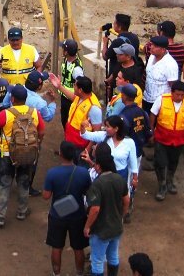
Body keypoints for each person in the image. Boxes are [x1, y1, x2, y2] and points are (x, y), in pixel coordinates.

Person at [0, 83, 44, 227]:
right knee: (24, 182)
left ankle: (0, 217)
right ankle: (22, 211)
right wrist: (36, 144)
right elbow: (42, 131)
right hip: (28, 152)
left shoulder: (7, 113)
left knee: (5, 184)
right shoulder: (34, 113)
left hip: (7, 155)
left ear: (12, 99)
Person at [42, 141, 93, 276]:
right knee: (78, 247)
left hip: (57, 215)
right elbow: (88, 192)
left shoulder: (52, 173)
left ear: (61, 154)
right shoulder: (83, 173)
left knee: (57, 247)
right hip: (78, 215)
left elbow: (46, 196)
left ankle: (56, 273)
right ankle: (79, 273)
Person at [84, 143, 130, 276]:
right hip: (116, 226)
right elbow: (126, 200)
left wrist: (87, 227)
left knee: (97, 261)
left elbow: (95, 209)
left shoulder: (97, 184)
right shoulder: (119, 179)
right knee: (113, 255)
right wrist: (121, 215)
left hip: (101, 229)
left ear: (99, 166)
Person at [150, 80, 184, 202]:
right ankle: (162, 185)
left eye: (182, 95)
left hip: (179, 140)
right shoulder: (162, 99)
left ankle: (169, 181)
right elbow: (152, 114)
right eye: (177, 95)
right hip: (161, 138)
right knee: (160, 163)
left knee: (173, 162)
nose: (180, 97)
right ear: (172, 93)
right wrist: (151, 132)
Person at [17, 69, 57, 196]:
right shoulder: (40, 103)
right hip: (32, 134)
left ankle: (17, 178)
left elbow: (8, 103)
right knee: (32, 160)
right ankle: (27, 187)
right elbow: (49, 116)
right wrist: (52, 102)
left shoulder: (17, 90)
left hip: (14, 131)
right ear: (39, 86)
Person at [81, 116, 139, 202]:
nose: (105, 128)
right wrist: (82, 126)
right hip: (104, 175)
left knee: (117, 199)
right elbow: (85, 135)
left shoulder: (129, 142)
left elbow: (133, 163)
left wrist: (135, 179)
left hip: (121, 175)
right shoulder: (103, 136)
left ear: (116, 129)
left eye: (108, 126)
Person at [50, 75, 103, 155]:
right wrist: (59, 87)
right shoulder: (81, 96)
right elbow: (73, 97)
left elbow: (96, 132)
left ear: (80, 90)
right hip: (71, 139)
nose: (73, 86)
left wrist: (87, 150)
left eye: (75, 85)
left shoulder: (94, 108)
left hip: (80, 145)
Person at [102, 14, 140, 101]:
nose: (113, 24)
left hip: (118, 77)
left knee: (116, 100)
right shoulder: (135, 38)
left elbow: (105, 56)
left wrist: (105, 43)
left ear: (119, 27)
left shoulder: (117, 42)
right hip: (131, 75)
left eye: (115, 23)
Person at [142, 35, 180, 114]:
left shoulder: (170, 64)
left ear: (163, 50)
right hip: (146, 99)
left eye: (155, 46)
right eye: (151, 44)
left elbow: (173, 86)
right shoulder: (152, 56)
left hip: (161, 103)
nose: (151, 47)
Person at [57, 38, 85, 125]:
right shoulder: (66, 60)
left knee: (68, 121)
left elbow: (81, 86)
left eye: (63, 49)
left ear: (66, 52)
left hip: (71, 99)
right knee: (64, 119)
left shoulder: (77, 69)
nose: (62, 51)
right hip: (65, 96)